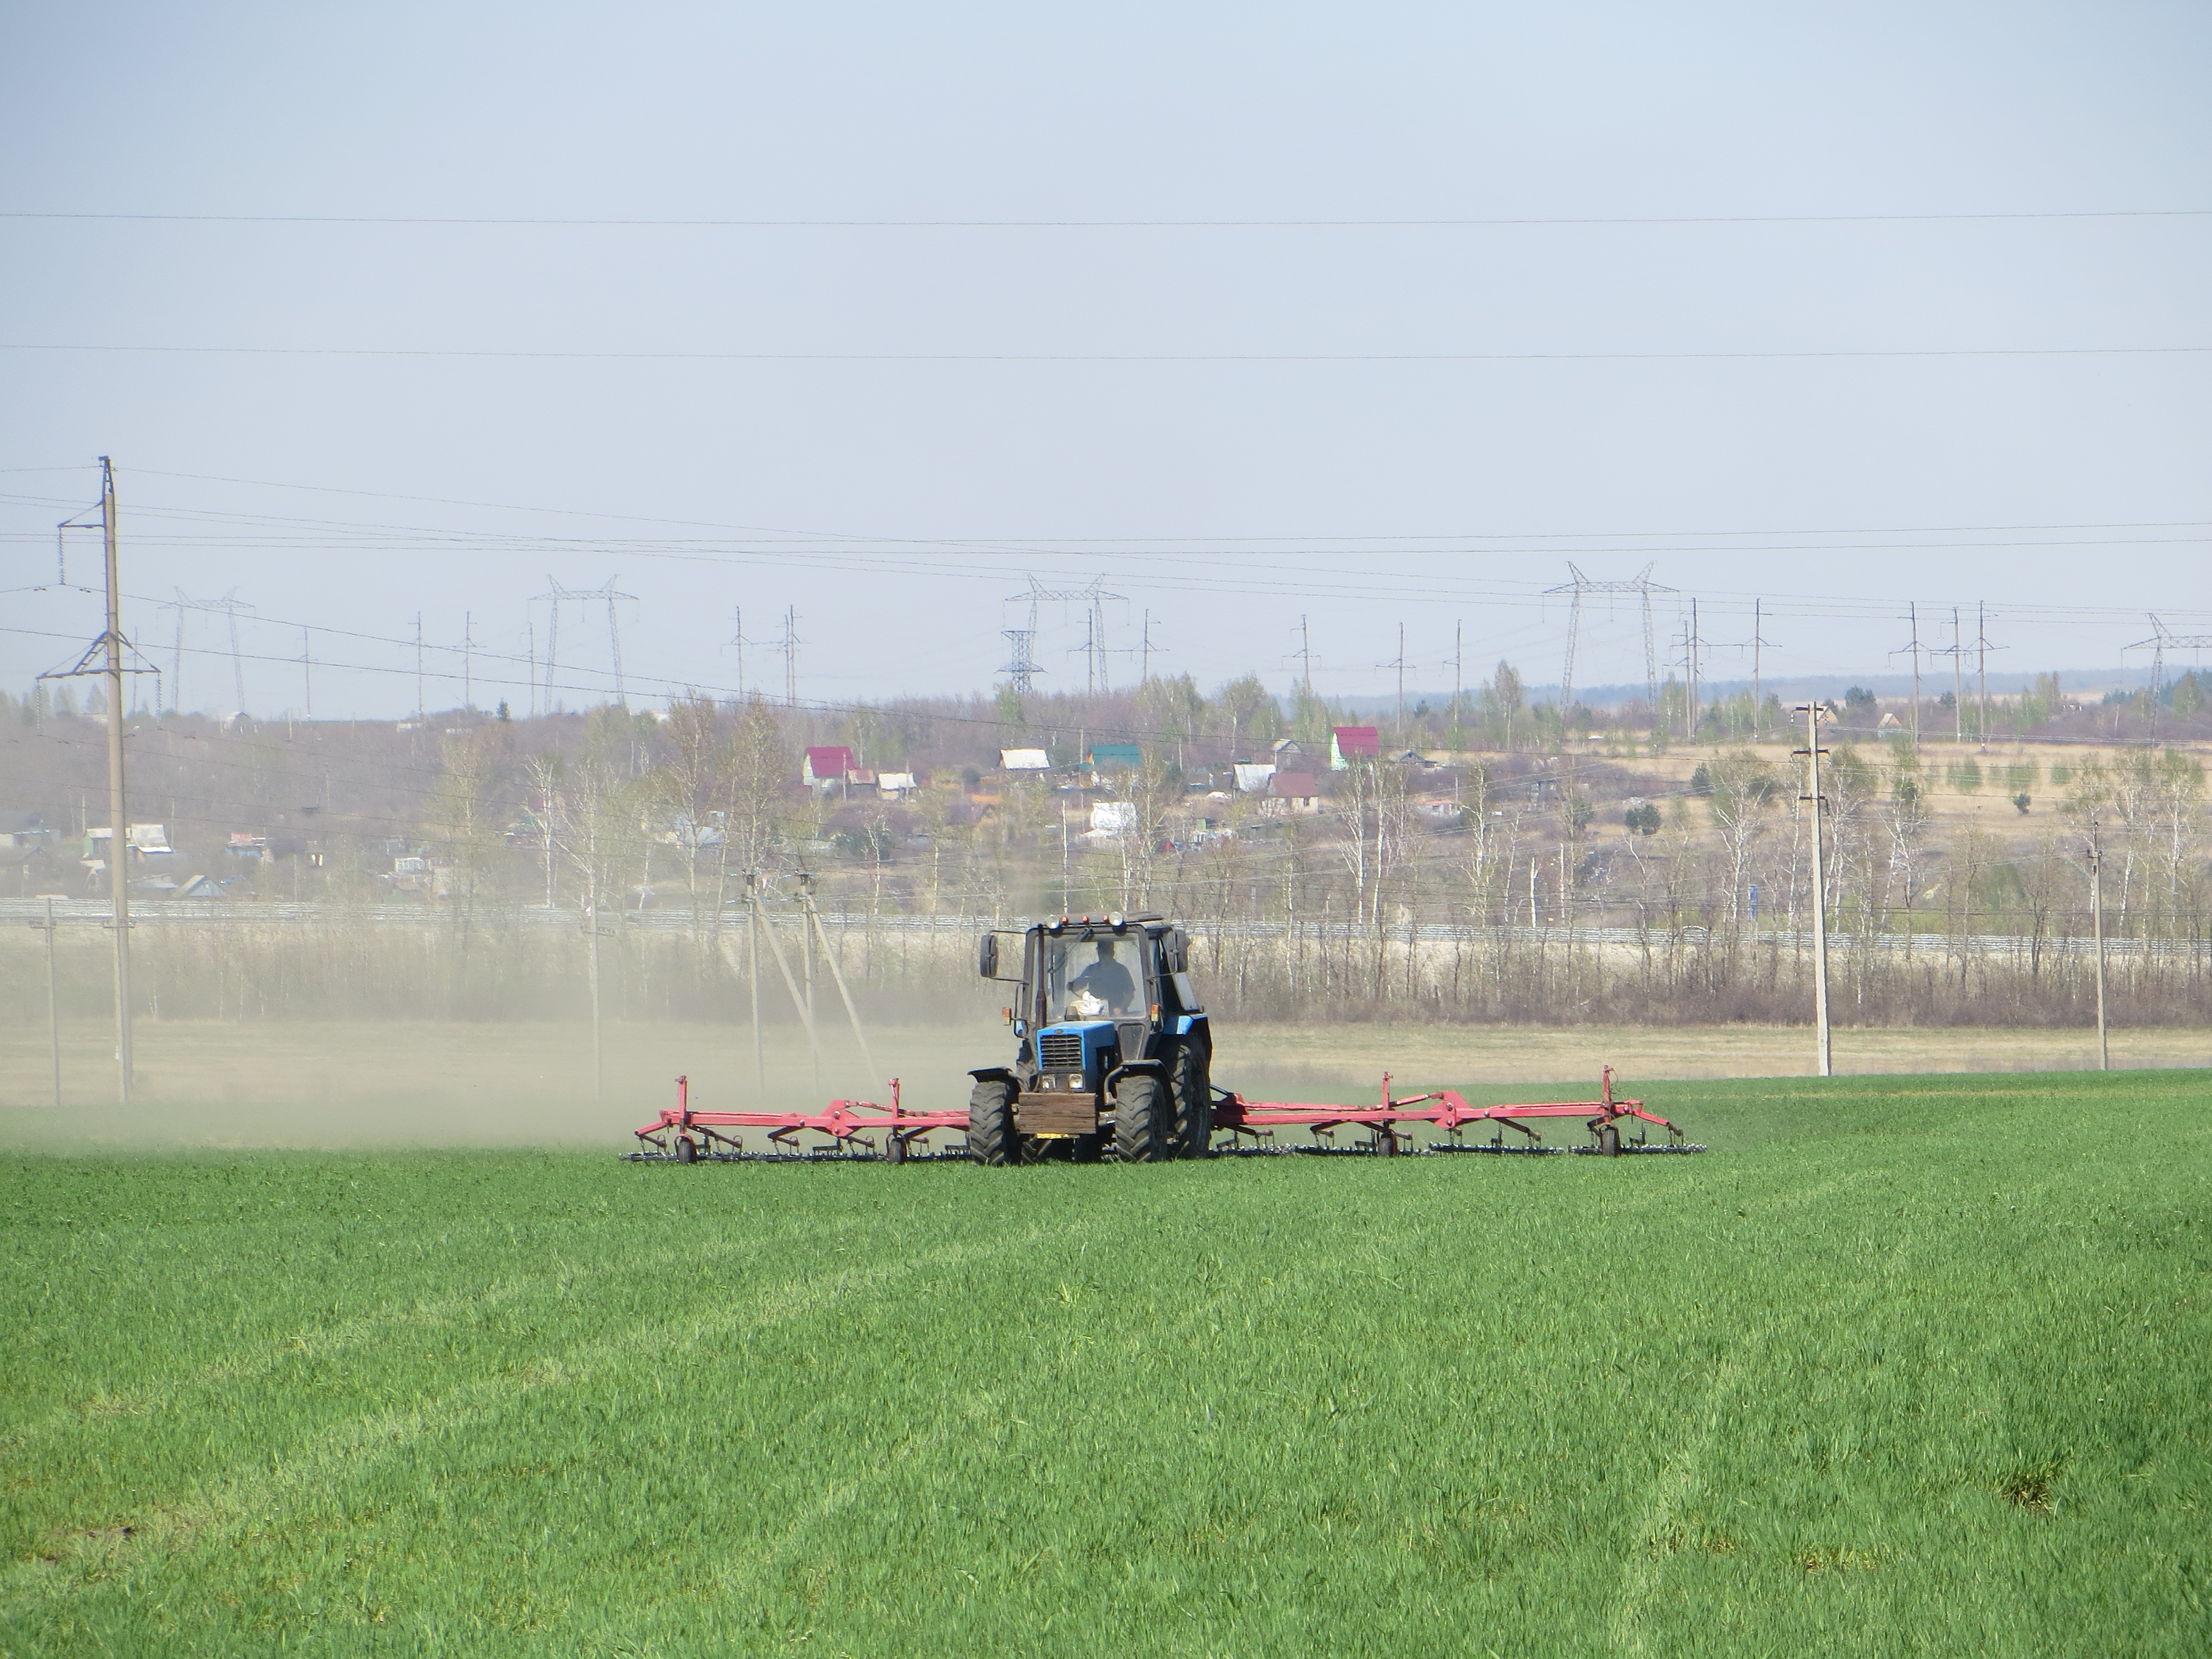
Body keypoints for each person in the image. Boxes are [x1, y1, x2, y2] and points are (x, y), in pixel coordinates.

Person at [1067, 938, 1136, 1016]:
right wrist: (1073, 985)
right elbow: (1079, 985)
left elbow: (1130, 993)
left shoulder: (1121, 970)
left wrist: (1120, 1009)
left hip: (1116, 1015)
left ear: (1112, 953)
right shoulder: (1091, 969)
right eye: (1100, 952)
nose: (1102, 956)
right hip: (1094, 1013)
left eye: (1105, 953)